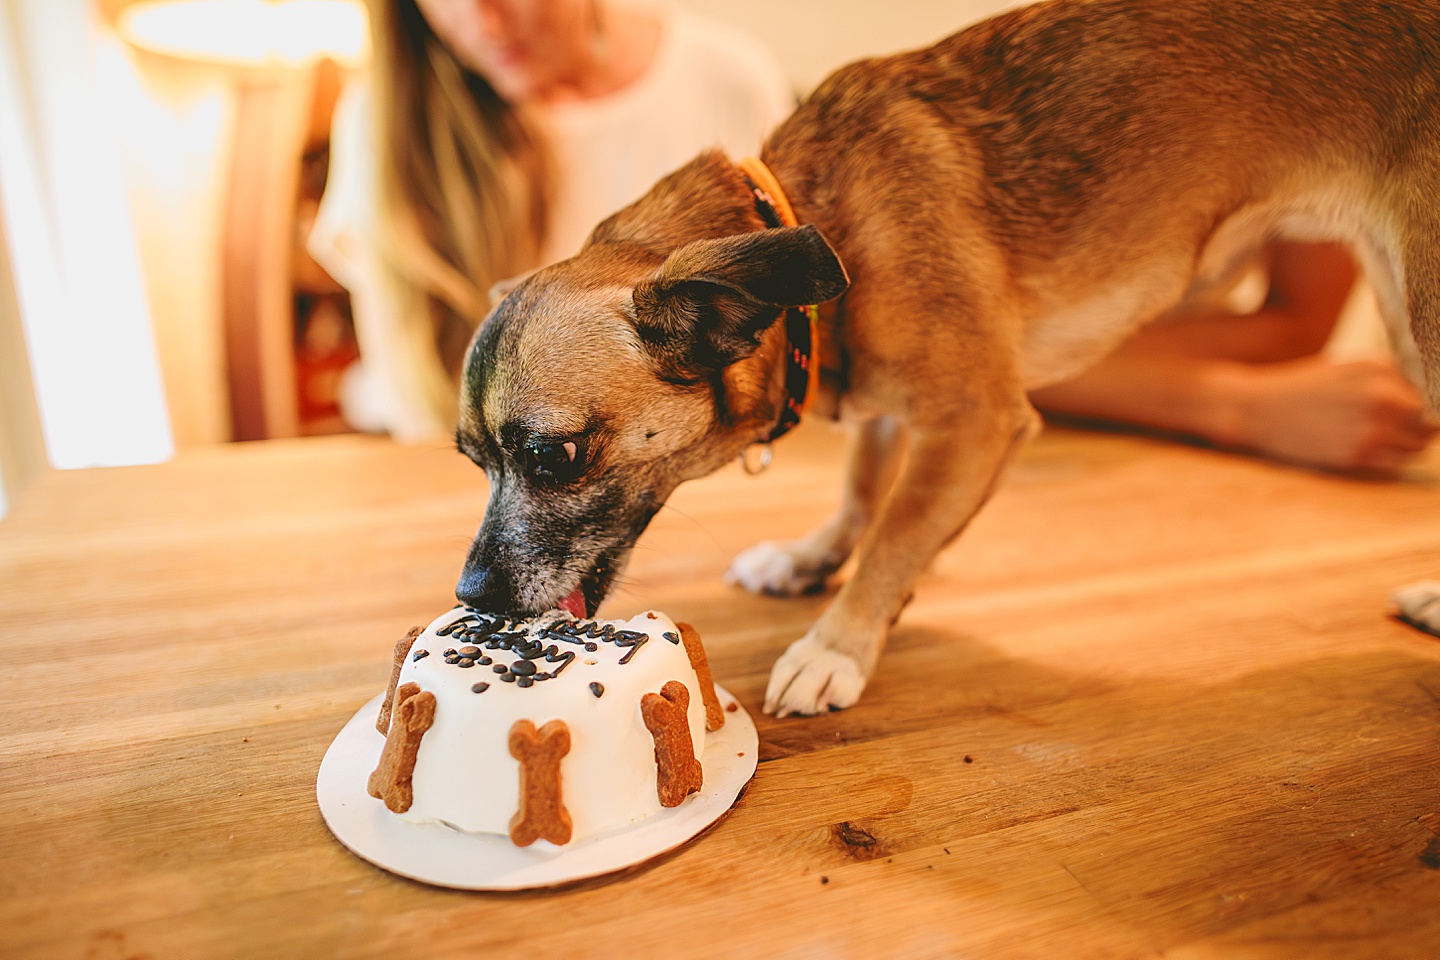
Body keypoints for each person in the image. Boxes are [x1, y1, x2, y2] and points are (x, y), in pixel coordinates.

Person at [309, 0, 795, 439]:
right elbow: (414, 407)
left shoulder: (728, 82)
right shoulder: (384, 121)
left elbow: (787, 349)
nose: (486, 23)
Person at [1029, 241, 1438, 475]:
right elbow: (978, 354)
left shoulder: (1343, 104)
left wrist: (1033, 363)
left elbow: (1299, 323)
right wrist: (1232, 403)